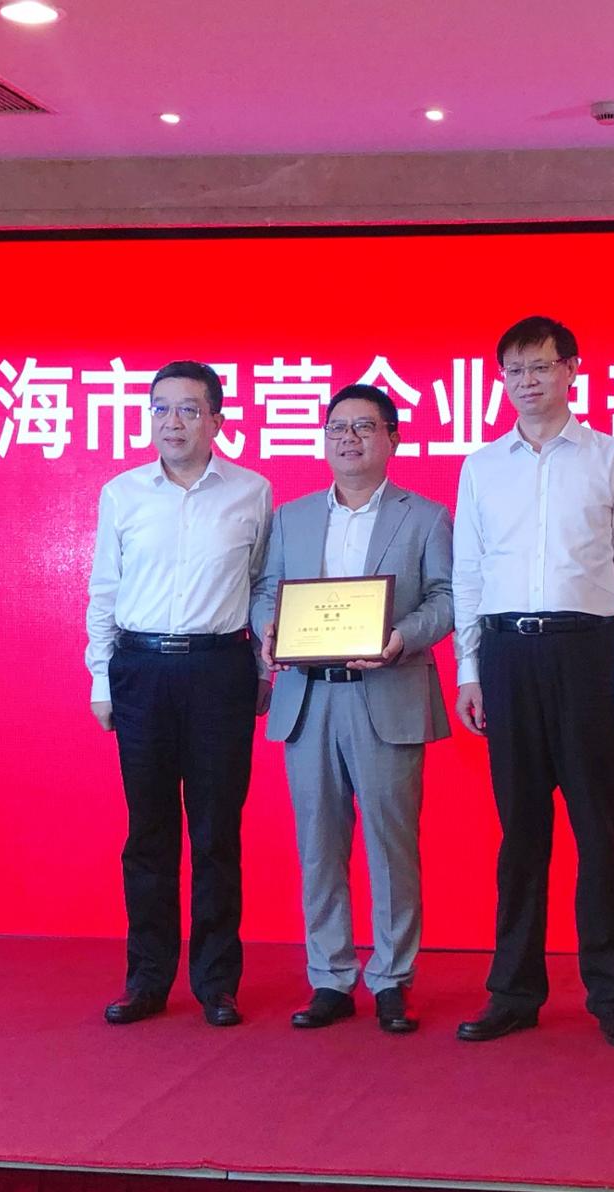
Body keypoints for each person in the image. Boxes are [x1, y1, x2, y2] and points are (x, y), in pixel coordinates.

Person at [451, 316, 614, 1049]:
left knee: (599, 831)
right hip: (508, 656)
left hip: (587, 653)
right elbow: (468, 573)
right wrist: (469, 668)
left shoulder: (609, 457)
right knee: (520, 834)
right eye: (514, 370)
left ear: (571, 369)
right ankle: (513, 992)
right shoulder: (482, 466)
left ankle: (613, 996)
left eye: (540, 367)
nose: (527, 382)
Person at [251, 383, 454, 1034]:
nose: (348, 438)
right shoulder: (291, 517)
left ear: (392, 438)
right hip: (309, 698)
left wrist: (404, 637)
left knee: (391, 846)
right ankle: (330, 977)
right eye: (337, 427)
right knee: (318, 844)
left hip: (387, 692)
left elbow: (450, 597)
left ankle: (392, 978)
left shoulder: (426, 517)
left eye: (364, 427)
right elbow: (265, 592)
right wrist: (268, 629)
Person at [85, 360, 272, 1028]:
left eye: (189, 409)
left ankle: (217, 982)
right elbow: (105, 590)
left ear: (216, 420)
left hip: (220, 670)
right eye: (161, 408)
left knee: (217, 831)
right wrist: (101, 677)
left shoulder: (253, 492)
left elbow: (262, 586)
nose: (173, 422)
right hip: (141, 670)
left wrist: (265, 667)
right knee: (149, 832)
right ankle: (147, 978)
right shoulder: (122, 494)